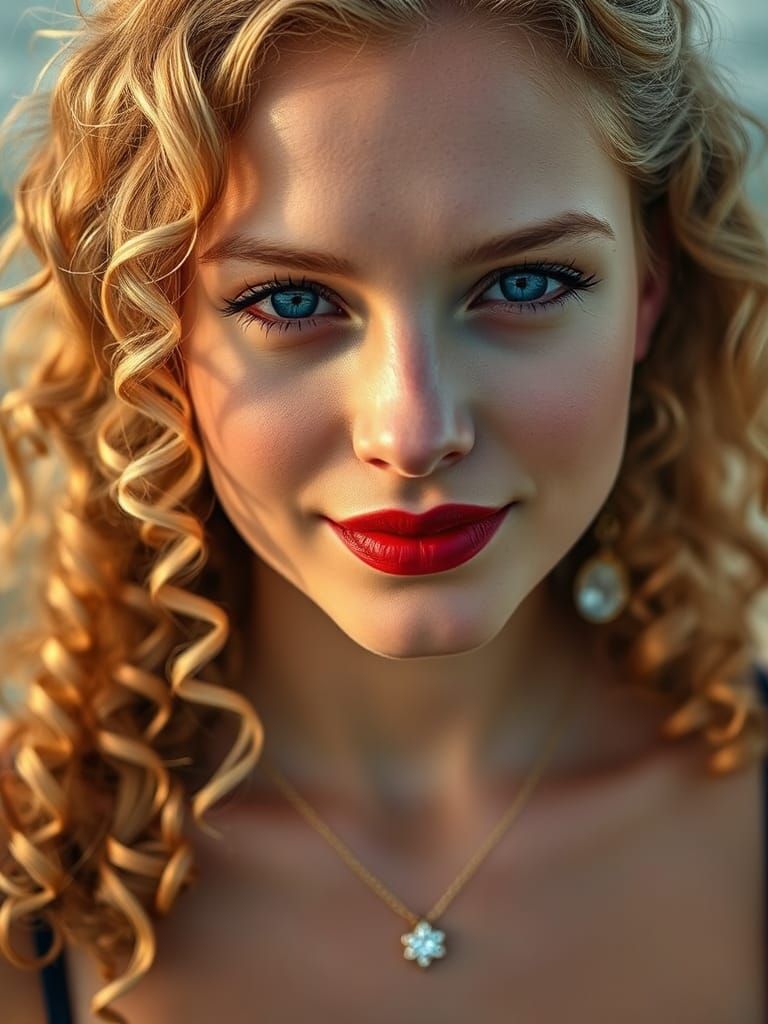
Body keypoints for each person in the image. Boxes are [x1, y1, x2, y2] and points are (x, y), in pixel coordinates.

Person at [0, 0, 767, 1020]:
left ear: (647, 294)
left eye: (527, 280)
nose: (412, 430)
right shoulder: (26, 877)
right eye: (293, 301)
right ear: (155, 334)